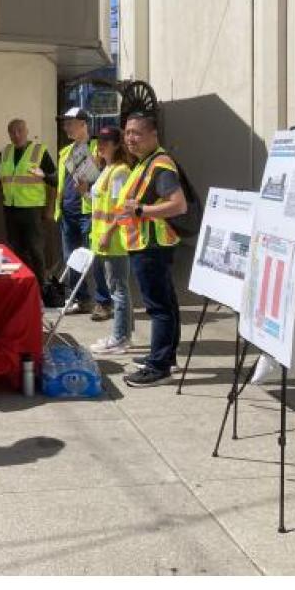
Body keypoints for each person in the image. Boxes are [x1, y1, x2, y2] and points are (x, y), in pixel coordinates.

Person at [117, 112, 188, 387]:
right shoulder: (144, 163)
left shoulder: (160, 165)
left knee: (158, 307)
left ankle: (158, 368)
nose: (130, 138)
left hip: (152, 246)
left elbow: (178, 205)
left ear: (153, 135)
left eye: (136, 133)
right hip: (148, 244)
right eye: (127, 133)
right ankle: (165, 356)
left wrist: (141, 209)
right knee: (166, 303)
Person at [54, 108, 112, 318]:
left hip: (90, 212)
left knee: (94, 259)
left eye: (70, 122)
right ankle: (81, 300)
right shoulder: (65, 152)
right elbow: (62, 180)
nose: (66, 126)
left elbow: (108, 178)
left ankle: (105, 302)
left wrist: (89, 189)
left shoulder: (99, 148)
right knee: (72, 258)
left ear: (83, 124)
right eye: (65, 123)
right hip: (68, 212)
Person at [0, 118, 56, 286]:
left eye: (20, 130)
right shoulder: (5, 152)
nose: (16, 135)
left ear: (27, 131)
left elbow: (53, 180)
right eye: (12, 132)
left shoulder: (39, 151)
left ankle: (42, 286)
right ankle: (23, 283)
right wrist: (3, 191)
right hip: (11, 208)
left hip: (32, 209)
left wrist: (50, 208)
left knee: (35, 249)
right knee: (16, 249)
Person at [88, 126, 135, 355]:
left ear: (117, 144)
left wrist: (108, 232)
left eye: (106, 141)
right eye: (99, 140)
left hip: (114, 241)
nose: (101, 145)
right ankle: (124, 335)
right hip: (103, 240)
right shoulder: (107, 169)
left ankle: (119, 338)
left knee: (118, 290)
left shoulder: (119, 171)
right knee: (118, 288)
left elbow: (122, 209)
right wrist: (85, 192)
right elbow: (100, 203)